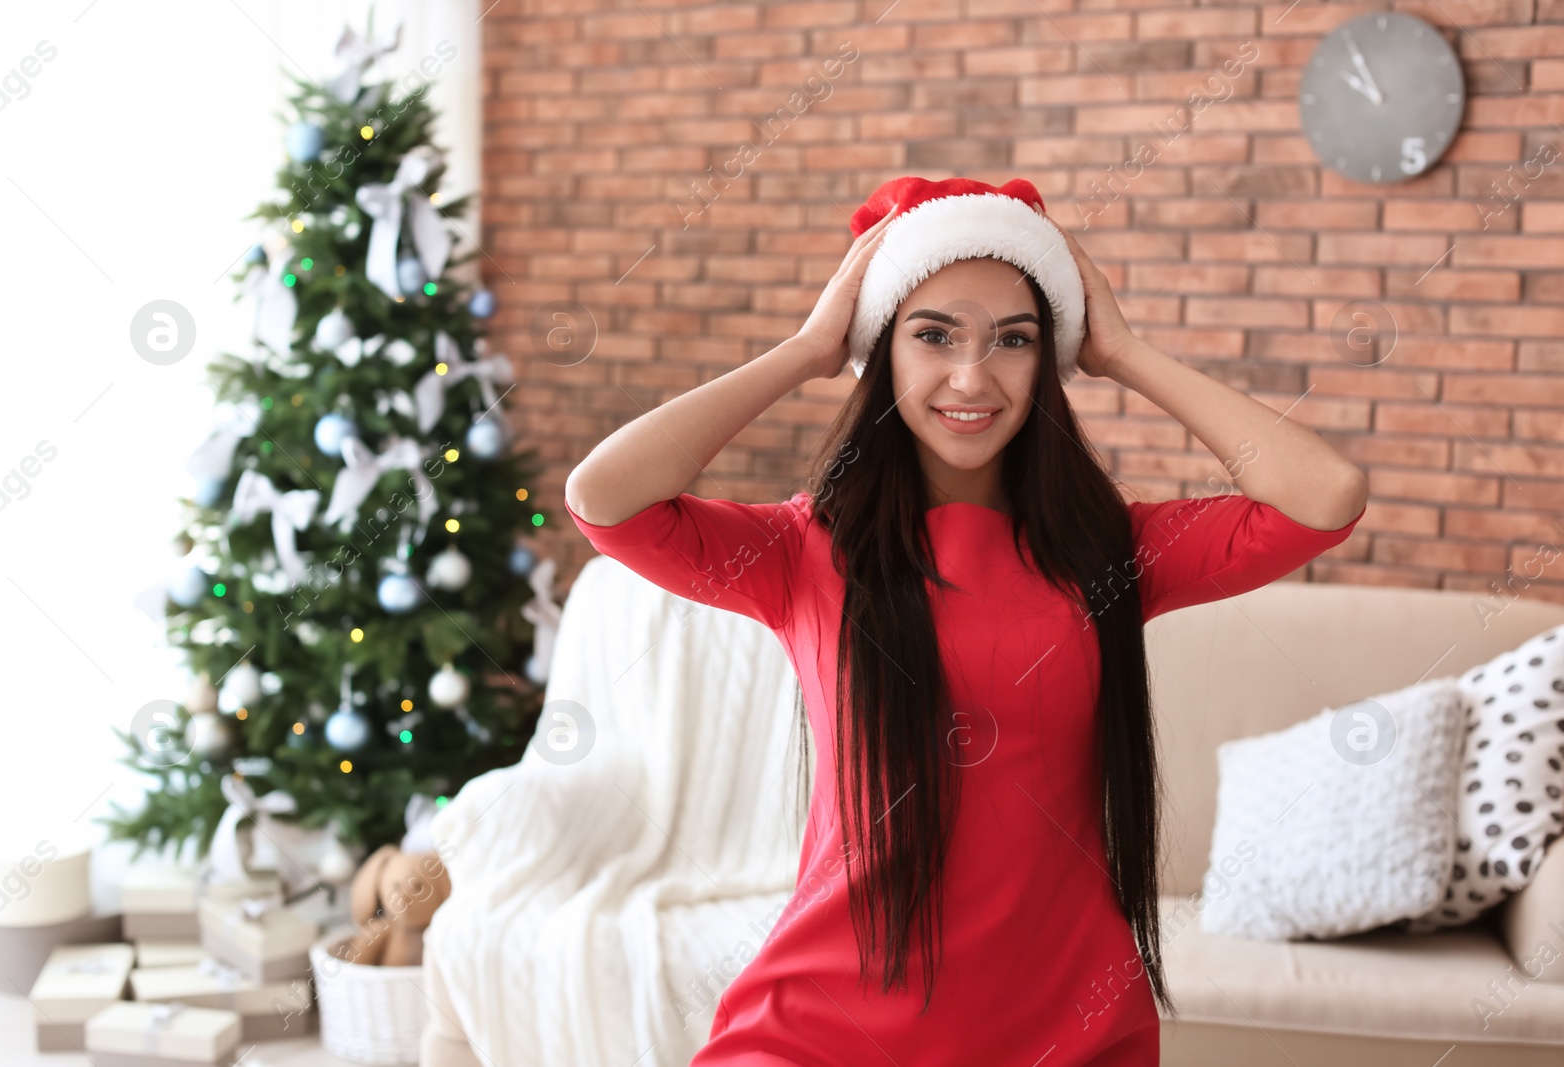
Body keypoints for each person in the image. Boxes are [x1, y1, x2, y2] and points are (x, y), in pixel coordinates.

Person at [563, 176, 1368, 1066]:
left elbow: (1323, 496)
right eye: (932, 334)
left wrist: (1126, 354)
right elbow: (604, 497)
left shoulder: (1113, 556)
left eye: (1014, 340)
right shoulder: (803, 551)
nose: (971, 376)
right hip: (823, 1031)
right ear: (882, 350)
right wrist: (806, 351)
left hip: (1066, 1034)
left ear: (1049, 359)